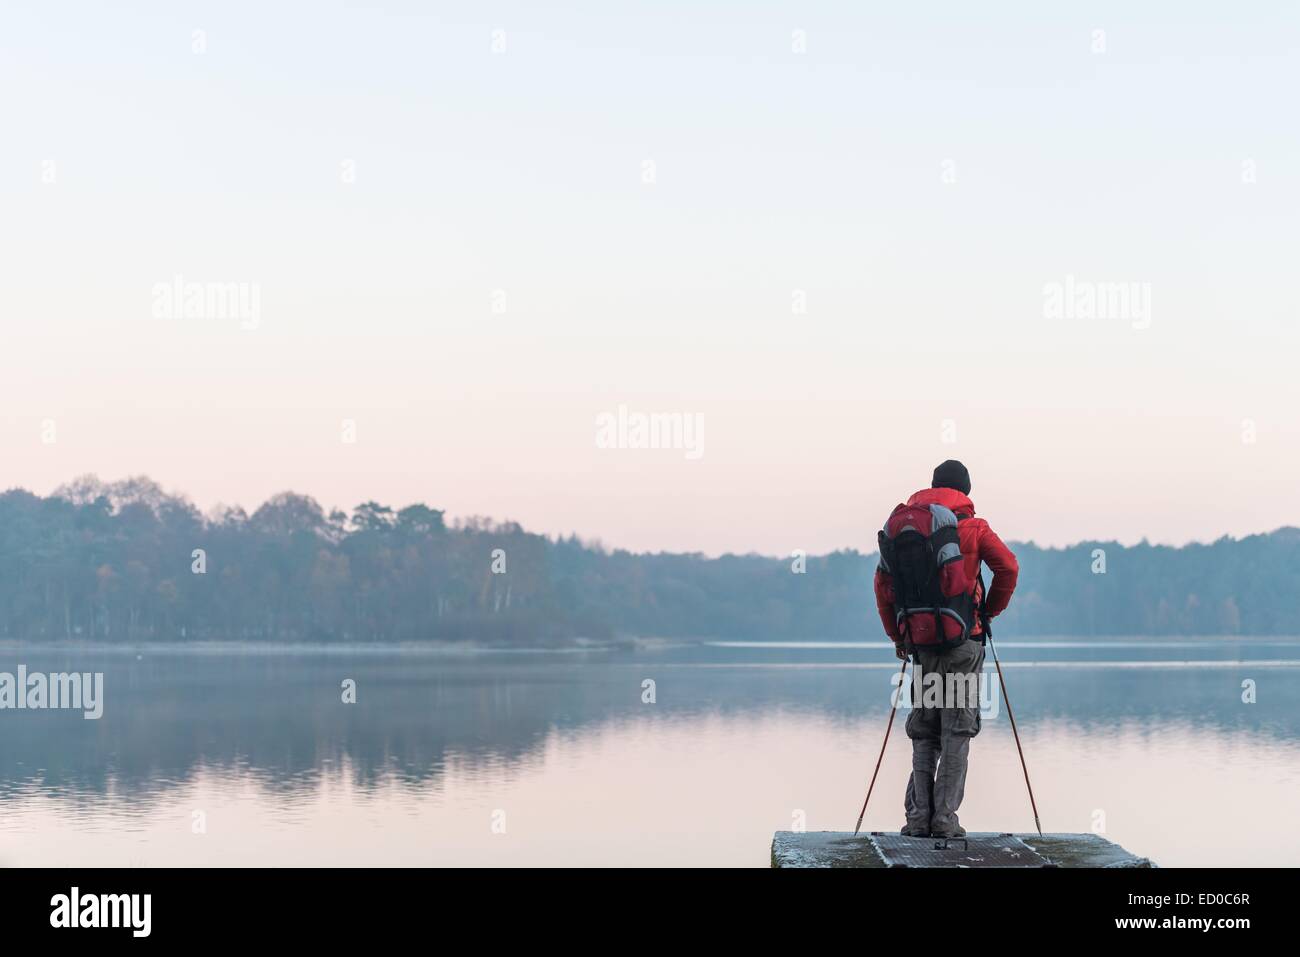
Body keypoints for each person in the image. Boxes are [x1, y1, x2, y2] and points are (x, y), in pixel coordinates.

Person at [872, 460, 1018, 838]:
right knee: (957, 729)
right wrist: (988, 613)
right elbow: (1009, 568)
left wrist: (898, 637)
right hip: (963, 643)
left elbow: (882, 586)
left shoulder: (903, 527)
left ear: (932, 486)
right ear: (965, 492)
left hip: (922, 644)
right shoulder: (973, 527)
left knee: (925, 731)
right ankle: (944, 820)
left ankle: (918, 820)